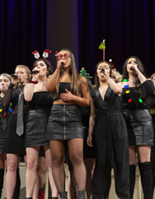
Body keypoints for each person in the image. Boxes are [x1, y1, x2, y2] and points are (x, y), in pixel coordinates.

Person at [46, 49, 89, 199]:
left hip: (73, 117)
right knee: (57, 159)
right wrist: (58, 68)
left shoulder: (80, 79)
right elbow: (49, 88)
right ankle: (62, 195)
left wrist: (73, 98)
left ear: (72, 59)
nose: (63, 58)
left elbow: (87, 101)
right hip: (55, 117)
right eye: (60, 56)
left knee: (77, 157)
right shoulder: (54, 76)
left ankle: (81, 195)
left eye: (66, 56)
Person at [87, 60, 130, 199]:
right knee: (102, 162)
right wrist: (89, 134)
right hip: (101, 125)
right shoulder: (93, 91)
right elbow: (93, 115)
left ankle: (123, 195)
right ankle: (99, 196)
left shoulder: (118, 84)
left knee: (120, 161)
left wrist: (109, 78)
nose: (102, 70)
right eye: (100, 68)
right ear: (96, 72)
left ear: (110, 71)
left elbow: (118, 91)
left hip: (117, 123)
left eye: (105, 68)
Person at [120, 56, 155, 199]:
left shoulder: (144, 83)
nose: (132, 64)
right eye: (129, 63)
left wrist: (138, 73)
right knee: (130, 166)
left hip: (143, 120)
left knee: (145, 164)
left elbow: (151, 90)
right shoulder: (122, 84)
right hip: (126, 121)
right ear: (125, 67)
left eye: (135, 63)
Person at [24, 57, 58, 199]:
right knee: (31, 163)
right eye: (36, 65)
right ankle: (29, 196)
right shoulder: (30, 84)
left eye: (41, 65)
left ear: (48, 68)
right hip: (33, 123)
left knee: (51, 163)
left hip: (50, 122)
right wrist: (33, 79)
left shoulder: (53, 84)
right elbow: (27, 98)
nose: (38, 67)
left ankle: (55, 195)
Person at [3, 65, 30, 199]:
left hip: (29, 124)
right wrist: (10, 86)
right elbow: (5, 104)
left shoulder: (32, 87)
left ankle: (31, 195)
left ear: (28, 75)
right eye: (16, 72)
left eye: (21, 72)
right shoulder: (13, 89)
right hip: (14, 125)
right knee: (11, 165)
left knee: (30, 164)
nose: (17, 74)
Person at [68, 68, 95, 199]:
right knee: (72, 170)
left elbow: (93, 117)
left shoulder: (90, 101)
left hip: (88, 136)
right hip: (71, 134)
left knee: (89, 171)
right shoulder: (70, 100)